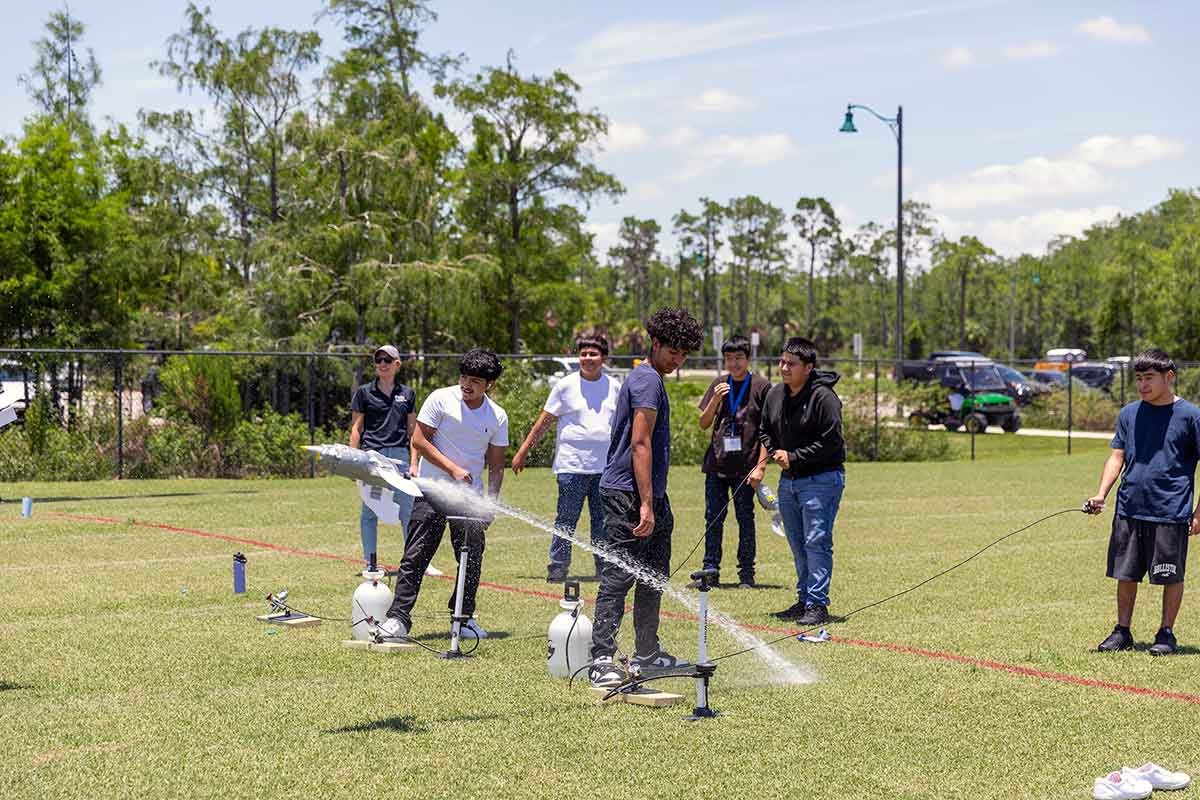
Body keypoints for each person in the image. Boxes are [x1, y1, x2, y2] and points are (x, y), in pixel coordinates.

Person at [588, 307, 704, 688]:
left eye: (685, 355)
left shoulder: (652, 377)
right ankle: (601, 658)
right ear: (656, 344)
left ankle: (648, 653)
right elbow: (640, 444)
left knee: (653, 576)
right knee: (619, 575)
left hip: (649, 494)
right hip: (628, 494)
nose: (679, 361)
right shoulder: (647, 381)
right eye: (675, 353)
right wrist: (646, 504)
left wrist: (656, 501)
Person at [377, 348, 509, 642]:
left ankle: (462, 619)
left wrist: (490, 502)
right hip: (432, 491)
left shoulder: (497, 416)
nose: (467, 384)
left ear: (490, 384)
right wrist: (452, 469)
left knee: (471, 560)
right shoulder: (440, 399)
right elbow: (419, 441)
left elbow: (497, 467)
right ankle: (398, 619)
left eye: (475, 380)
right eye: (464, 376)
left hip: (469, 499)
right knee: (415, 557)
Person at [1086, 349, 1200, 656]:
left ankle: (1166, 634)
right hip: (1129, 506)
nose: (1143, 384)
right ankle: (1122, 631)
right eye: (1139, 378)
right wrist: (1101, 494)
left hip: (1171, 509)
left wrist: (1199, 512)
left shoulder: (1191, 416)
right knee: (1126, 572)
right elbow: (1117, 456)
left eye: (1149, 378)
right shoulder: (1129, 414)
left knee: (1171, 574)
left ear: (1169, 377)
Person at [512, 333, 621, 583]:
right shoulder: (565, 386)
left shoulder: (615, 386)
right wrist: (523, 450)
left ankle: (603, 566)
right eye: (583, 354)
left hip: (604, 467)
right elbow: (545, 421)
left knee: (602, 522)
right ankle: (558, 566)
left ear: (603, 357)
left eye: (593, 354)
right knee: (566, 519)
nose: (588, 358)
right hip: (571, 465)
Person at [758, 337, 845, 626]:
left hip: (821, 480)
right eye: (782, 361)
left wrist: (794, 456)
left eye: (791, 364)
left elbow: (832, 443)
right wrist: (774, 453)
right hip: (789, 483)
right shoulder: (775, 395)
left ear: (808, 367)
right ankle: (805, 599)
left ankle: (818, 604)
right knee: (797, 543)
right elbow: (764, 431)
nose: (784, 367)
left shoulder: (824, 398)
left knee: (816, 542)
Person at [696, 335, 770, 589]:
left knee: (745, 519)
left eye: (739, 358)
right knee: (713, 518)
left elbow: (768, 432)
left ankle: (746, 574)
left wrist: (760, 466)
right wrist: (716, 400)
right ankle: (710, 571)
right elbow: (703, 423)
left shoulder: (761, 386)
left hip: (745, 467)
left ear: (748, 359)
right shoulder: (719, 383)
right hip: (717, 465)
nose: (734, 363)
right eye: (728, 358)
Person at [349, 345, 417, 567]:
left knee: (407, 510)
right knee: (370, 510)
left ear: (397, 364)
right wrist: (354, 461)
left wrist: (414, 462)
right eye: (378, 360)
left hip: (399, 458)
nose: (382, 364)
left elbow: (413, 432)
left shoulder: (408, 394)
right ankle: (371, 562)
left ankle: (411, 563)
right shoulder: (364, 392)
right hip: (373, 458)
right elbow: (356, 429)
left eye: (387, 360)